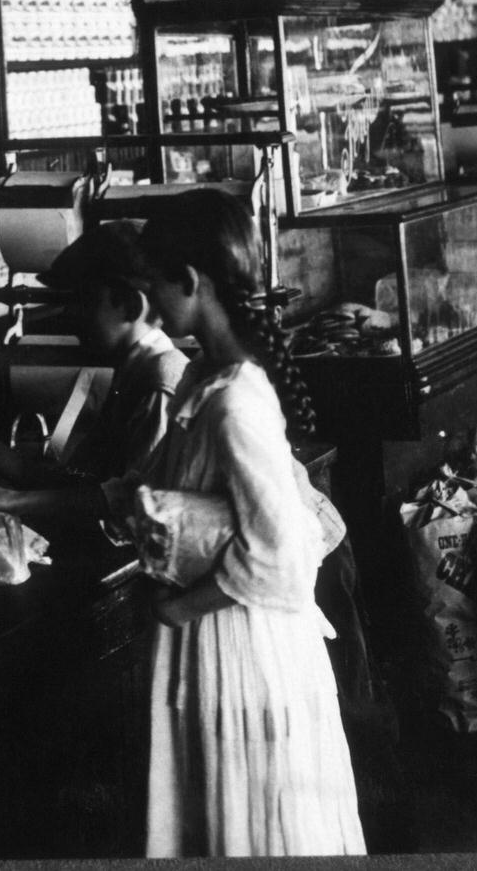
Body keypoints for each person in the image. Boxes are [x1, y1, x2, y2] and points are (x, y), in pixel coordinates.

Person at [131, 187, 365, 857]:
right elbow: (155, 487)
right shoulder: (205, 375)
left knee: (253, 829)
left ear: (191, 281)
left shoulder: (235, 402)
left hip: (241, 646)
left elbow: (282, 554)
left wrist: (180, 609)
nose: (148, 297)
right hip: (220, 639)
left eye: (154, 281)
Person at [0, 220, 187, 519]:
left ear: (129, 306)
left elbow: (135, 505)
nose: (70, 316)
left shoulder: (159, 384)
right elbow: (79, 485)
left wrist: (15, 502)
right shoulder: (132, 371)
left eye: (82, 301)